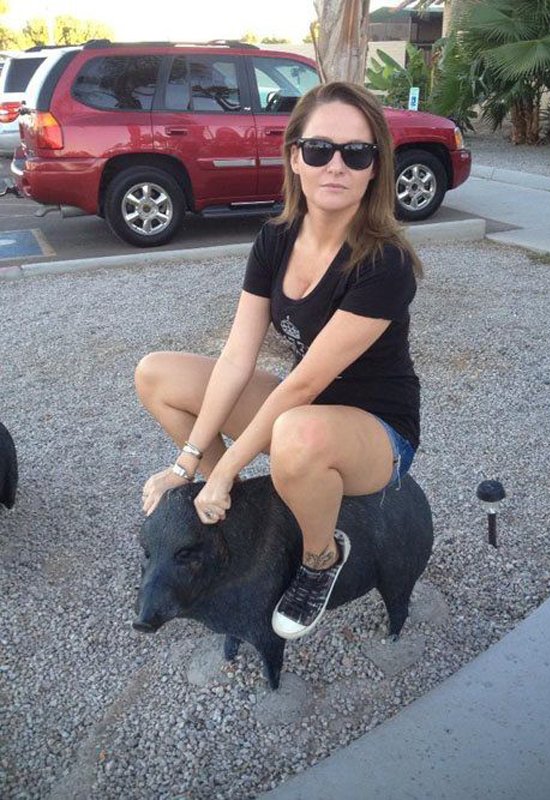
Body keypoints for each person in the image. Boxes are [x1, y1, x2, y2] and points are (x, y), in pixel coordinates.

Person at [136, 81, 423, 641]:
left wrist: (213, 472)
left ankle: (320, 558)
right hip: (305, 413)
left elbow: (303, 383)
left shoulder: (384, 262)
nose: (334, 165)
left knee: (295, 433)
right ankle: (231, 500)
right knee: (157, 374)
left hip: (378, 431)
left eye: (355, 153)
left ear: (373, 168)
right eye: (319, 150)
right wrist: (189, 462)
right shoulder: (275, 239)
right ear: (296, 158)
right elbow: (237, 356)